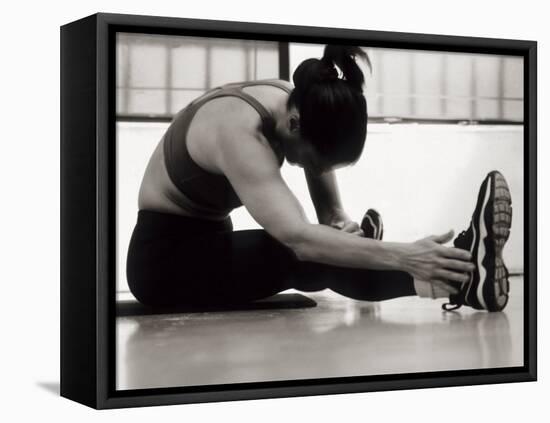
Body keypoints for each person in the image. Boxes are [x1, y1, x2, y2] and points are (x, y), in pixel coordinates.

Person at [126, 45, 512, 312]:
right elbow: (299, 239)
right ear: (294, 125)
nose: (314, 168)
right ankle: (459, 279)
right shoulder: (238, 130)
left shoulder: (302, 105)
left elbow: (328, 214)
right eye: (315, 161)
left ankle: (453, 274)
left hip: (211, 241)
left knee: (327, 245)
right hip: (164, 264)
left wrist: (340, 227)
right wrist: (405, 254)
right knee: (298, 253)